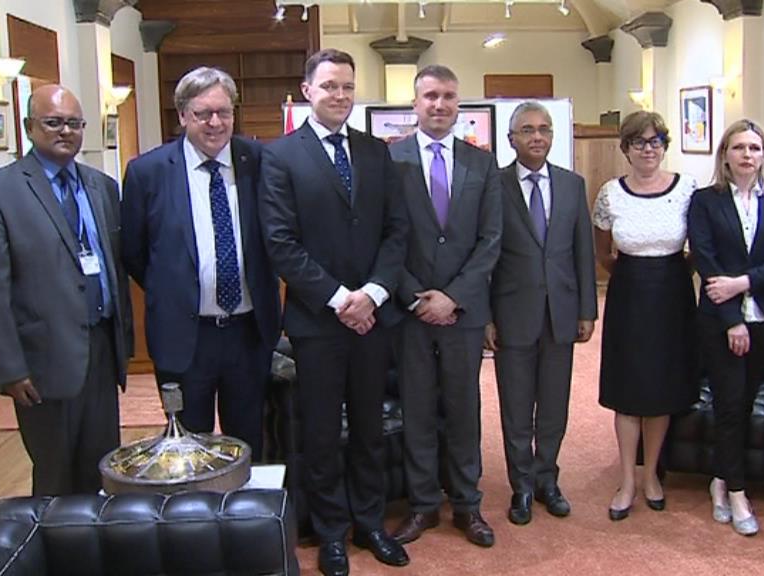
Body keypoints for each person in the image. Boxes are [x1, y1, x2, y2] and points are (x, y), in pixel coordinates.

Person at [258, 49, 410, 576]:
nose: (339, 95)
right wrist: (342, 299)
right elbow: (281, 243)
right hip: (317, 322)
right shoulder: (280, 156)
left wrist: (374, 293)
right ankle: (330, 533)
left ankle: (369, 523)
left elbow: (396, 231)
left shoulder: (374, 152)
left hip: (373, 318)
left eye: (347, 86)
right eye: (329, 86)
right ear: (307, 91)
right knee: (322, 434)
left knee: (369, 428)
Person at [0, 84, 132, 496]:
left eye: (74, 123)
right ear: (28, 127)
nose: (66, 131)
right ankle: (55, 539)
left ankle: (95, 537)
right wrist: (9, 366)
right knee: (55, 476)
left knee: (103, 468)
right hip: (43, 360)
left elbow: (115, 265)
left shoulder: (102, 186)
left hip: (101, 349)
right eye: (53, 122)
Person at [121, 67, 280, 461]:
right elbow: (135, 253)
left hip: (248, 334)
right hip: (183, 337)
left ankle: (245, 503)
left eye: (224, 112)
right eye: (203, 113)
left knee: (249, 442)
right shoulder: (147, 172)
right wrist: (177, 289)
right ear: (182, 115)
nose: (215, 123)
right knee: (189, 448)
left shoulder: (259, 161)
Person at [388, 65, 502, 548]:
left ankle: (467, 504)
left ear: (459, 104)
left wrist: (453, 296)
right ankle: (422, 506)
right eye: (430, 96)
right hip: (410, 311)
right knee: (416, 408)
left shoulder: (482, 164)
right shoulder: (389, 160)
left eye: (448, 96)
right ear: (415, 104)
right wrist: (417, 296)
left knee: (463, 407)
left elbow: (491, 239)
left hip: (463, 311)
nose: (439, 104)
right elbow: (384, 237)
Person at [484, 101, 597, 525]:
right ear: (511, 139)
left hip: (561, 313)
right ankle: (523, 486)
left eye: (544, 129)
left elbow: (583, 251)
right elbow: (485, 258)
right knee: (516, 408)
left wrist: (587, 309)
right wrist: (486, 317)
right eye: (527, 130)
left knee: (554, 406)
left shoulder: (572, 184)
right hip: (511, 313)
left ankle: (548, 478)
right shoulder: (493, 186)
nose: (537, 137)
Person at [591, 110, 697, 521]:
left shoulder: (687, 189)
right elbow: (603, 253)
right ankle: (627, 480)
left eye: (655, 142)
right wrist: (633, 274)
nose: (648, 149)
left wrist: (669, 274)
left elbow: (696, 249)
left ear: (664, 146)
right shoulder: (610, 193)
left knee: (661, 389)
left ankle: (651, 474)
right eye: (639, 142)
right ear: (626, 149)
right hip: (628, 295)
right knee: (628, 389)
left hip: (672, 295)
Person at [687, 119, 764, 536]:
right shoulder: (705, 201)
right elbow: (706, 258)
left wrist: (744, 283)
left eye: (755, 148)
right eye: (739, 147)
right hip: (719, 321)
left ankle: (719, 478)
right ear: (725, 155)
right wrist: (733, 320)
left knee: (745, 404)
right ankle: (737, 492)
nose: (748, 155)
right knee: (729, 403)